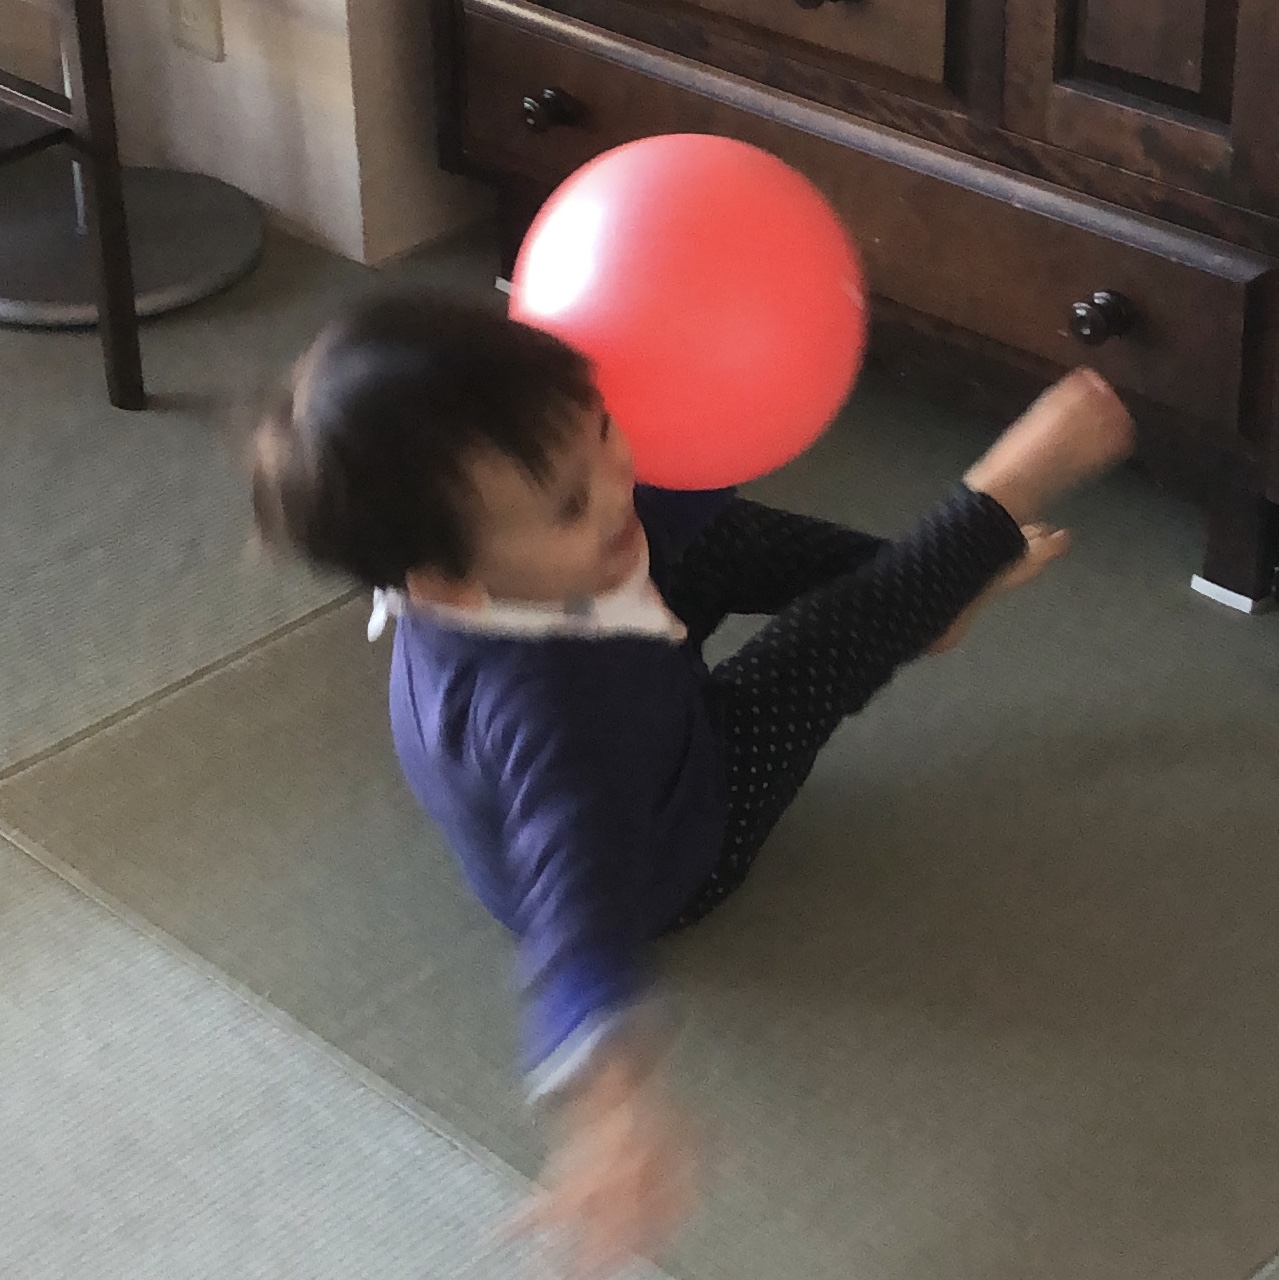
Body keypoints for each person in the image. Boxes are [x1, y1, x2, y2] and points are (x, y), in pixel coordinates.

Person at [248, 290, 1134, 1277]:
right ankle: (985, 513)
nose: (614, 478)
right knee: (817, 644)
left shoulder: (512, 556)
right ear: (445, 584)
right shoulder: (556, 718)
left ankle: (923, 587)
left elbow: (646, 489)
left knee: (691, 528)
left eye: (601, 430)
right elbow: (577, 911)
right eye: (570, 501)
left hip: (630, 695)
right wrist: (610, 1102)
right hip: (670, 846)